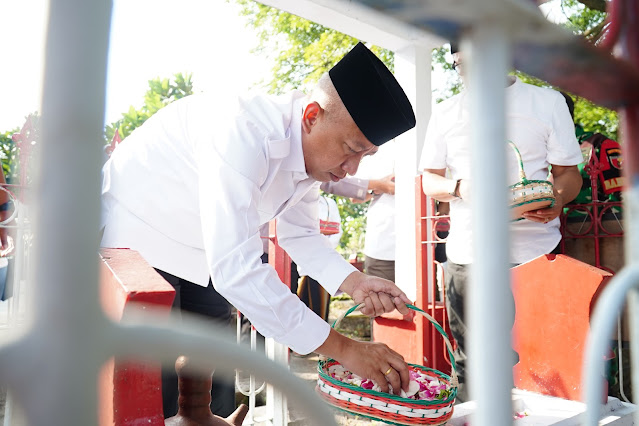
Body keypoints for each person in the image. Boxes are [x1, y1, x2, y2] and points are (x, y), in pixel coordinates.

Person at [100, 42, 416, 417]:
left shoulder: (313, 159)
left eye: (366, 155)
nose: (353, 170)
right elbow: (237, 269)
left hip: (202, 258)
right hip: (136, 245)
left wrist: (355, 283)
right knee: (153, 393)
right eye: (351, 149)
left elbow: (300, 237)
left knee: (210, 383)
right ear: (312, 115)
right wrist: (346, 350)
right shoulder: (244, 130)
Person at [419, 43, 583, 402]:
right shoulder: (446, 112)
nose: (465, 73)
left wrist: (556, 199)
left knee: (541, 362)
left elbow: (569, 175)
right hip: (468, 255)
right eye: (459, 66)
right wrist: (461, 187)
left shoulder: (547, 103)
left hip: (535, 252)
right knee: (470, 364)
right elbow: (429, 180)